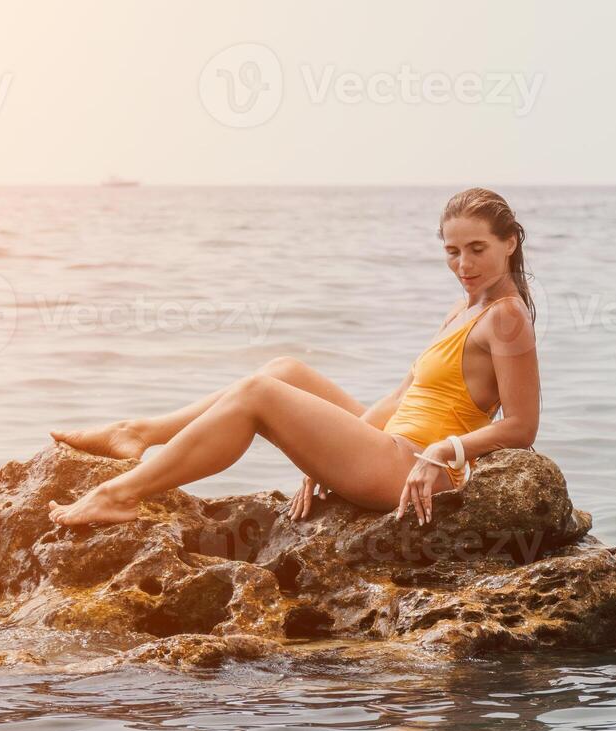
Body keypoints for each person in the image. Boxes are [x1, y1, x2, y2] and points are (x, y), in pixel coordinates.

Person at [46, 188, 542, 528]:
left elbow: (521, 427)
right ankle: (138, 433)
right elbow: (402, 393)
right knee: (285, 370)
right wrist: (325, 453)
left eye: (478, 249)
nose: (464, 264)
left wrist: (443, 452)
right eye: (453, 251)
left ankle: (120, 495)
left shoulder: (506, 318)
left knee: (259, 395)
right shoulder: (466, 305)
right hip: (390, 445)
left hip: (413, 468)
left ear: (510, 242)